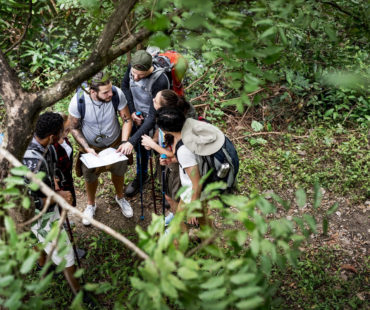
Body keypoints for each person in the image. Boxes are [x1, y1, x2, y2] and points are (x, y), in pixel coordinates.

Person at [23, 112, 81, 295]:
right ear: (51, 136)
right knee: (66, 254)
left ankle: (44, 265)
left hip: (47, 202)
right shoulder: (32, 163)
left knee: (37, 240)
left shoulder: (43, 144)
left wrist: (54, 180)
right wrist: (58, 197)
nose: (64, 136)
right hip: (39, 213)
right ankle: (78, 294)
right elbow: (27, 202)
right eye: (61, 133)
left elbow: (52, 167)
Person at [69, 72, 133, 226]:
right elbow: (74, 127)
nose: (110, 93)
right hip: (91, 147)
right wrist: (86, 148)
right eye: (105, 92)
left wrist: (124, 141)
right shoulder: (78, 101)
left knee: (118, 171)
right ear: (92, 92)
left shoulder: (116, 94)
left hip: (115, 141)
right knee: (90, 176)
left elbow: (127, 119)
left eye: (110, 89)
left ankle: (120, 197)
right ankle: (91, 204)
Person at [155, 107, 225, 230]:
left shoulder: (183, 149)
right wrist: (172, 160)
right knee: (204, 221)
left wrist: (192, 206)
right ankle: (208, 241)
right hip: (204, 188)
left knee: (180, 226)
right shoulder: (190, 129)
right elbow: (194, 159)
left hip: (193, 193)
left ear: (165, 130)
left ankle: (180, 246)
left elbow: (196, 183)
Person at [140, 90, 196, 224]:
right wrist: (154, 141)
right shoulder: (165, 117)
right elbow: (160, 130)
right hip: (164, 159)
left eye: (155, 100)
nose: (152, 99)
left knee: (175, 197)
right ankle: (173, 213)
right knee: (167, 194)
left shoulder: (181, 127)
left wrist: (153, 146)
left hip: (177, 166)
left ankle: (179, 223)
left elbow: (178, 153)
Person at [121, 50, 170, 197]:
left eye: (140, 75)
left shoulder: (160, 80)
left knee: (159, 151)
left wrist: (131, 140)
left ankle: (165, 186)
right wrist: (133, 111)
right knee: (140, 150)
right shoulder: (133, 66)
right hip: (139, 115)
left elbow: (153, 116)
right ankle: (141, 177)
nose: (135, 78)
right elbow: (125, 86)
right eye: (133, 73)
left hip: (157, 120)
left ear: (149, 68)